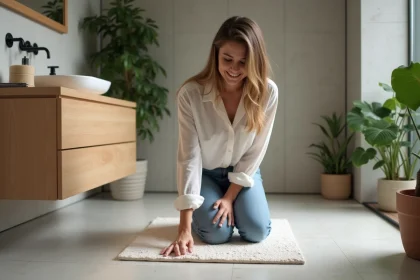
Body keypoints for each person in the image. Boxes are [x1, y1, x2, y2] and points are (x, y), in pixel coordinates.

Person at [160, 16, 278, 257]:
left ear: (255, 61)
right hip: (206, 174)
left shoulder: (268, 92)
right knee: (216, 234)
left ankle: (235, 205)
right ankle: (207, 212)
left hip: (245, 171)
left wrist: (229, 197)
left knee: (256, 231)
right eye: (227, 59)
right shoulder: (190, 94)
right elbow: (189, 158)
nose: (234, 69)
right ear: (215, 54)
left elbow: (256, 151)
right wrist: (184, 227)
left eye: (243, 62)